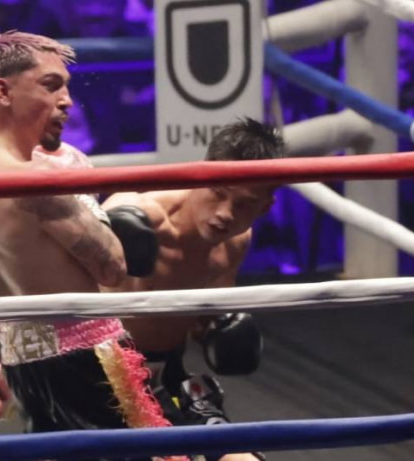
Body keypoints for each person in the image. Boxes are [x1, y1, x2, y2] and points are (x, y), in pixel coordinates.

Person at [0, 31, 177, 448]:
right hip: (94, 363)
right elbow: (112, 268)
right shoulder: (39, 181)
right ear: (4, 91)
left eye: (67, 87)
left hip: (23, 370)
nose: (66, 101)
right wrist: (78, 188)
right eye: (51, 86)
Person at [102, 118, 285, 461]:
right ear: (200, 174)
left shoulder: (236, 241)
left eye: (244, 204)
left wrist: (218, 328)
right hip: (101, 380)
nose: (225, 214)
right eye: (218, 194)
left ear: (265, 207)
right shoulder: (139, 215)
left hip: (168, 378)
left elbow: (202, 313)